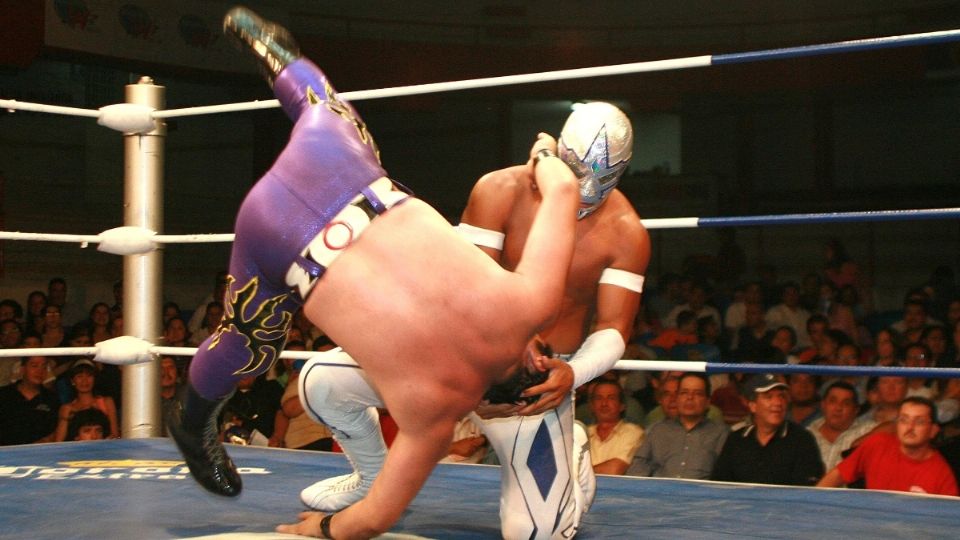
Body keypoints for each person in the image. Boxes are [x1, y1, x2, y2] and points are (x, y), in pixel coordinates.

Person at [169, 8, 581, 540]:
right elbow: (372, 519)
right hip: (276, 239)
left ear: (533, 355)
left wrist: (543, 151)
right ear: (489, 406)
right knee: (249, 340)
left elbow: (564, 189)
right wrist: (317, 531)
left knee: (327, 109)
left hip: (338, 168)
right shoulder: (433, 418)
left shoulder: (531, 304)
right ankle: (194, 418)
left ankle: (284, 62)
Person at [298, 91, 649, 538]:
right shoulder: (499, 190)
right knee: (320, 381)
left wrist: (571, 373)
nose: (583, 193)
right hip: (455, 363)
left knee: (533, 536)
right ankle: (369, 477)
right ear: (558, 154)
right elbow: (463, 287)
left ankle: (569, 448)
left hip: (530, 387)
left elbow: (614, 328)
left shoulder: (626, 234)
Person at [817, 397, 958, 496]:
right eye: (904, 420)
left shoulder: (942, 475)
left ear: (933, 430)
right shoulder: (877, 443)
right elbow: (837, 475)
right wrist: (809, 501)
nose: (910, 427)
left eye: (919, 422)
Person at [711, 373, 824, 485]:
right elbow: (720, 485)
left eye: (781, 396)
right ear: (752, 405)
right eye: (768, 397)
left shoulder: (802, 439)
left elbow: (807, 490)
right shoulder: (736, 439)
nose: (778, 403)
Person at [627, 372, 728, 479]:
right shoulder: (658, 430)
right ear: (677, 398)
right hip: (659, 492)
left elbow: (726, 476)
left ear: (708, 401)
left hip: (700, 493)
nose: (690, 398)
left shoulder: (721, 433)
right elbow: (638, 466)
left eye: (698, 393)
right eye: (684, 393)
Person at [807, 381, 877, 470]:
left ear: (856, 410)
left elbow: (893, 426)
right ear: (823, 405)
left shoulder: (866, 430)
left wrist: (863, 439)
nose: (838, 408)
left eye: (846, 403)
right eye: (833, 401)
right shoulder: (807, 434)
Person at [586, 379, 644, 475]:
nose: (604, 403)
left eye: (611, 398)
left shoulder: (633, 433)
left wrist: (579, 474)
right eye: (598, 398)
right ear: (592, 406)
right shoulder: (581, 434)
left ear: (622, 405)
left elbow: (614, 470)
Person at [54, 359, 119, 441]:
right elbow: (58, 442)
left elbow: (115, 436)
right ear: (72, 381)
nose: (84, 381)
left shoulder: (107, 402)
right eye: (79, 376)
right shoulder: (66, 408)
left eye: (89, 375)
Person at [0, 355, 59, 445]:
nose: (40, 371)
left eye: (44, 367)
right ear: (22, 369)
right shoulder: (3, 394)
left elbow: (55, 432)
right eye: (34, 366)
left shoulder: (51, 399)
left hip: (39, 454)